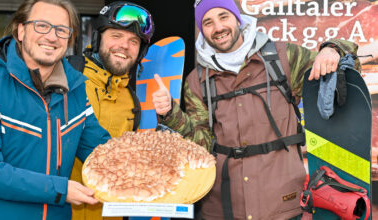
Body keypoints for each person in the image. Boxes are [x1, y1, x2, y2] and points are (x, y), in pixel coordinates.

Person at [152, 0, 360, 219]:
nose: (218, 28)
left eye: (224, 17)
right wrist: (170, 114)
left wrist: (333, 49)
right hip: (223, 208)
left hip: (283, 204)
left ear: (237, 18)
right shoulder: (197, 80)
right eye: (208, 22)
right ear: (202, 30)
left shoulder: (282, 57)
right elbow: (201, 145)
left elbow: (347, 66)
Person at [0, 0, 111, 219]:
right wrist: (60, 190)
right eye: (42, 26)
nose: (52, 37)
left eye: (62, 30)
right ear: (21, 30)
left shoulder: (76, 91)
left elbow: (105, 155)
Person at [69, 2, 154, 220]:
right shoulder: (66, 78)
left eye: (133, 41)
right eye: (116, 36)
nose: (124, 46)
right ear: (98, 39)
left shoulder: (131, 101)